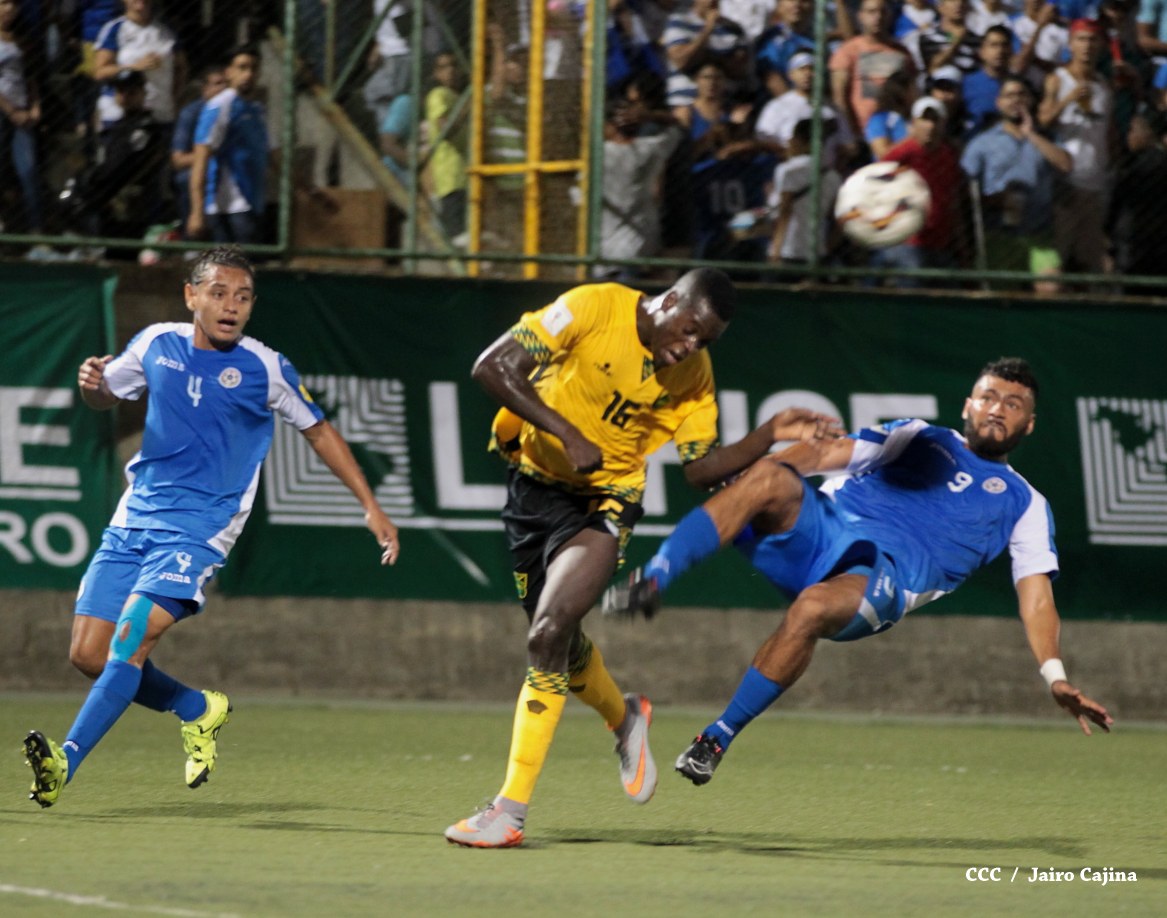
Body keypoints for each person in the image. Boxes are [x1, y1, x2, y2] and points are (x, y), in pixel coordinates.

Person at [444, 268, 840, 848]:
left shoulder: (694, 373)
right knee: (560, 646)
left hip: (606, 501)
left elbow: (700, 468)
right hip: (531, 489)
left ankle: (509, 812)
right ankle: (625, 717)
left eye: (705, 341)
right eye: (689, 329)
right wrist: (567, 432)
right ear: (670, 300)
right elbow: (492, 367)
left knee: (548, 633)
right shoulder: (592, 307)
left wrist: (768, 434)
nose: (691, 346)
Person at [603, 357, 1113, 787]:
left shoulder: (1025, 503)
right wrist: (757, 478)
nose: (997, 409)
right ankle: (652, 581)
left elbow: (1036, 597)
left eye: (1013, 404)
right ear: (968, 405)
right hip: (823, 529)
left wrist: (1055, 677)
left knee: (812, 608)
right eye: (988, 397)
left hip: (881, 577)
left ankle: (716, 738)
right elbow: (825, 453)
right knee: (770, 476)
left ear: (1029, 425)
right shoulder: (919, 436)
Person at [22, 246, 401, 809]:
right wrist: (91, 384)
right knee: (88, 655)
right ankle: (197, 708)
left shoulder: (265, 367)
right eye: (219, 293)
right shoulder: (156, 344)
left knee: (131, 638)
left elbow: (319, 430)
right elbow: (105, 395)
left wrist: (370, 505)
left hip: (201, 527)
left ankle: (65, 761)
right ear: (190, 296)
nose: (231, 306)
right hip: (136, 515)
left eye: (243, 297)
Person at [961, 75, 1072, 279]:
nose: (1016, 100)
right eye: (1009, 95)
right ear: (998, 102)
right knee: (1003, 293)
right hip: (998, 234)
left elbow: (1066, 164)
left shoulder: (1046, 137)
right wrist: (995, 199)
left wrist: (1031, 134)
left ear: (1031, 100)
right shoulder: (982, 143)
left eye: (1021, 94)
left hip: (1040, 233)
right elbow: (965, 187)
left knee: (1051, 286)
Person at [1037, 18, 1115, 276]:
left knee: (1090, 256)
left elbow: (1109, 131)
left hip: (1096, 178)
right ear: (1070, 44)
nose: (1087, 46)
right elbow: (1043, 120)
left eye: (1092, 40)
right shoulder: (1057, 79)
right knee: (1060, 252)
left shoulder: (1103, 85)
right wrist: (1068, 100)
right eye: (1081, 39)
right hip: (1066, 180)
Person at [873, 96, 966, 283]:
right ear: (913, 123)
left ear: (943, 124)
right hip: (908, 239)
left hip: (941, 240)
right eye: (924, 120)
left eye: (935, 120)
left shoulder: (948, 155)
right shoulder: (902, 153)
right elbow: (874, 185)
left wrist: (960, 240)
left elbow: (953, 199)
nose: (930, 126)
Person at [188, 44, 269, 245]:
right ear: (228, 72)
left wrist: (306, 189)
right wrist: (197, 211)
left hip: (253, 203)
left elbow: (275, 154)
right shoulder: (220, 106)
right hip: (227, 207)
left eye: (253, 68)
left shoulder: (257, 110)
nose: (248, 74)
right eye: (242, 67)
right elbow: (201, 159)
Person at [93, 0, 186, 131]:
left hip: (161, 113)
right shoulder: (115, 29)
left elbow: (181, 67)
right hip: (121, 116)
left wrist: (176, 98)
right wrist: (134, 67)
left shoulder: (166, 30)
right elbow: (99, 72)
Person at [830, 0, 916, 139]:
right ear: (861, 16)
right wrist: (848, 135)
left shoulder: (902, 53)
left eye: (883, 12)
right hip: (862, 134)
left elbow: (911, 94)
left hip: (897, 133)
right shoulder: (848, 50)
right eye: (871, 12)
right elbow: (839, 96)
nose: (878, 17)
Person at [0, 0, 43, 236]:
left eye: (13, 4)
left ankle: (36, 230)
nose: (8, 9)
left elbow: (30, 75)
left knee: (28, 170)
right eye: (3, 3)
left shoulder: (20, 39)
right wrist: (10, 110)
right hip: (6, 110)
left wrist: (35, 105)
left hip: (21, 112)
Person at [170, 65, 227, 236]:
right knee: (186, 178)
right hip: (199, 170)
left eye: (226, 84)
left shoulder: (236, 110)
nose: (222, 89)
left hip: (229, 172)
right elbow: (178, 160)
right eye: (217, 84)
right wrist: (208, 155)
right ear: (205, 89)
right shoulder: (191, 113)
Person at [424, 51, 468, 242]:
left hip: (466, 175)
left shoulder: (458, 97)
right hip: (450, 177)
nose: (450, 71)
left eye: (453, 65)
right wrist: (465, 109)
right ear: (436, 74)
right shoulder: (438, 94)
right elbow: (446, 130)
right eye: (443, 67)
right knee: (458, 237)